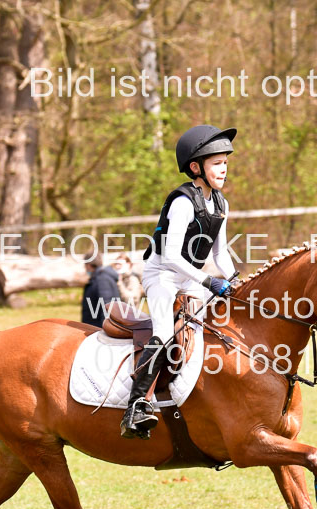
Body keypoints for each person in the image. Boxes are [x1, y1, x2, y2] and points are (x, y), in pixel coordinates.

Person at [120, 124, 237, 439]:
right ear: (196, 167)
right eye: (217, 163)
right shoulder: (183, 202)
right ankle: (136, 407)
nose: (224, 169)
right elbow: (171, 256)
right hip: (163, 274)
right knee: (163, 332)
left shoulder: (221, 204)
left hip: (191, 277)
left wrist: (236, 279)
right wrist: (209, 281)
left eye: (226, 162)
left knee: (215, 327)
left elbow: (220, 253)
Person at [81, 255, 120, 327]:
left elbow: (106, 306)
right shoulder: (97, 278)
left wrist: (105, 329)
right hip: (94, 327)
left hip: (98, 329)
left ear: (88, 265)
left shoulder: (102, 279)